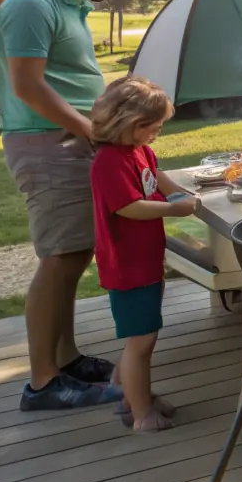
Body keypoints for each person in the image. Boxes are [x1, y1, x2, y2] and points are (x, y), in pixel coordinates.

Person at [0, 0, 138, 411]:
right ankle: (42, 383)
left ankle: (66, 358)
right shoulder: (32, 5)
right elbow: (28, 87)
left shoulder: (67, 2)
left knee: (73, 255)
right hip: (48, 144)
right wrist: (89, 128)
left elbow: (65, 76)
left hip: (70, 140)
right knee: (58, 259)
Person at [88, 76, 195, 432]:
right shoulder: (107, 162)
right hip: (127, 266)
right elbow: (128, 207)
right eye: (156, 127)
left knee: (144, 333)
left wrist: (177, 192)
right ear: (134, 125)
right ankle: (140, 415)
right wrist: (171, 209)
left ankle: (131, 394)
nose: (158, 133)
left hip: (147, 261)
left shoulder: (138, 151)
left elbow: (154, 173)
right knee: (141, 341)